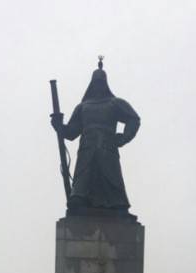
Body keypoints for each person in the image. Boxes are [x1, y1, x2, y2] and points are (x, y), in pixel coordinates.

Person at [51, 61, 140, 213]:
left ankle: (117, 203)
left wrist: (124, 137)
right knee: (82, 183)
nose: (98, 85)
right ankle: (79, 198)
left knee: (111, 178)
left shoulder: (115, 103)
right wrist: (59, 126)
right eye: (96, 82)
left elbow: (134, 119)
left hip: (107, 146)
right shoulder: (83, 107)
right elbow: (71, 132)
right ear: (92, 84)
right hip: (87, 148)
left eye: (101, 82)